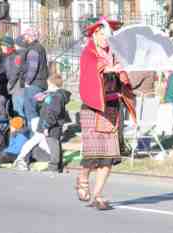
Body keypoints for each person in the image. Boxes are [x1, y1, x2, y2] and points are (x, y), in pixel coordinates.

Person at [76, 18, 136, 210]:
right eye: (101, 35)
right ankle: (83, 178)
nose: (104, 39)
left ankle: (98, 195)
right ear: (94, 35)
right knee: (93, 155)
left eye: (107, 35)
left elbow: (124, 78)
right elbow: (92, 69)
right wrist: (108, 68)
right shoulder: (88, 53)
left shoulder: (114, 54)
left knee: (108, 157)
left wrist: (121, 75)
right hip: (93, 109)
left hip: (111, 108)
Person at [13, 75, 70, 172]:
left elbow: (52, 112)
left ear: (52, 84)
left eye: (48, 84)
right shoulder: (52, 95)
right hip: (47, 123)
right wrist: (42, 99)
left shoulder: (56, 96)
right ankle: (57, 164)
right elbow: (47, 108)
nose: (47, 86)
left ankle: (54, 166)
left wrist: (46, 126)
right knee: (49, 143)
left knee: (52, 144)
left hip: (50, 125)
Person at [22, 28, 49, 129]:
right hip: (40, 83)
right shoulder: (40, 47)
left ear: (30, 37)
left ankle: (34, 137)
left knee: (31, 112)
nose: (24, 37)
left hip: (34, 84)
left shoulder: (33, 49)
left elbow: (33, 68)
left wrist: (27, 82)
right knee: (37, 112)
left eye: (25, 35)